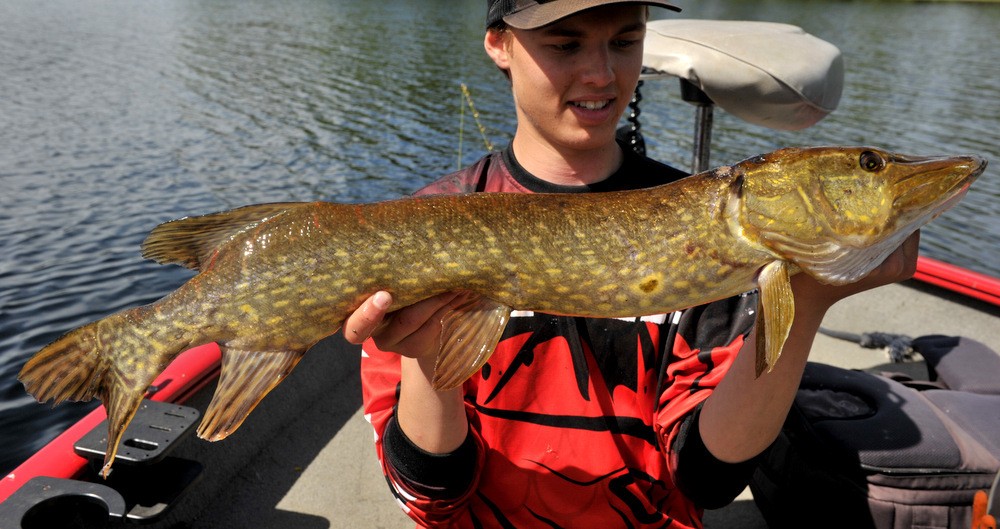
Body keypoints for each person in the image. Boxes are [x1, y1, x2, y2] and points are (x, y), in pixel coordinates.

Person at [344, 1, 920, 527]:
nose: (601, 74)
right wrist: (428, 362)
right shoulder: (424, 227)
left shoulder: (714, 232)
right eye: (565, 45)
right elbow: (430, 495)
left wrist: (808, 300)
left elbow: (708, 478)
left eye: (624, 42)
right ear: (499, 43)